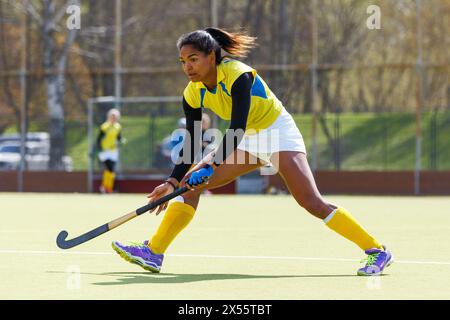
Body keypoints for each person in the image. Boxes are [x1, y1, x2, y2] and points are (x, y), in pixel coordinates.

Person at [112, 28, 394, 276]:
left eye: (193, 59)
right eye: (183, 61)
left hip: (276, 132)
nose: (187, 67)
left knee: (311, 201)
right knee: (189, 186)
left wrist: (211, 166)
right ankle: (154, 251)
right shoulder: (192, 92)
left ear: (212, 56)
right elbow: (193, 137)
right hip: (247, 138)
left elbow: (235, 126)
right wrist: (173, 180)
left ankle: (377, 250)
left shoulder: (238, 75)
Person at [96, 108, 124, 194]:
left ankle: (106, 187)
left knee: (111, 170)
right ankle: (107, 188)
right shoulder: (104, 126)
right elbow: (99, 139)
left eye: (115, 117)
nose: (114, 118)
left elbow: (118, 137)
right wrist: (99, 148)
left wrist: (121, 140)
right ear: (109, 117)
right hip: (105, 150)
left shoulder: (118, 127)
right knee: (109, 168)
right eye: (112, 116)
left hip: (113, 150)